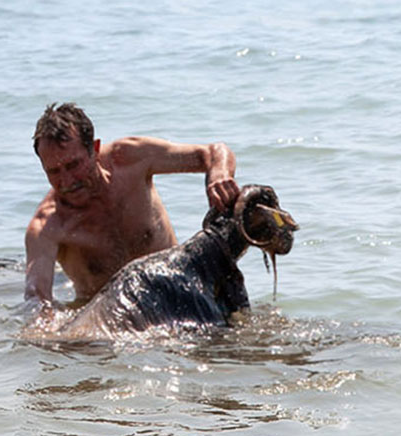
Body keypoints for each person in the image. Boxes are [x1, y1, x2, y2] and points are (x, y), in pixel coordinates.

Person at [24, 102, 240, 307]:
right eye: (53, 171)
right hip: (115, 320)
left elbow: (213, 153)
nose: (67, 181)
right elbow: (36, 299)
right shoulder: (47, 227)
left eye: (74, 165)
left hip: (178, 291)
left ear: (95, 149)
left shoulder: (131, 159)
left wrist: (218, 174)